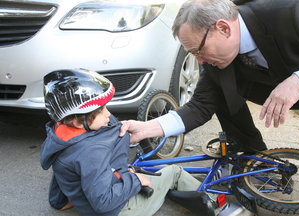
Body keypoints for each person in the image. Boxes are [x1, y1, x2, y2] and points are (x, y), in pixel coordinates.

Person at [121, 0, 299, 216]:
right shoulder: (216, 58)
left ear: (223, 28)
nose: (199, 60)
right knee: (220, 88)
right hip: (277, 84)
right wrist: (146, 128)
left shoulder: (298, 11)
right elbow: (200, 106)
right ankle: (253, 157)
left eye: (199, 51)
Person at [39, 69, 230, 216]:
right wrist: (135, 180)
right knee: (173, 172)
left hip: (98, 197)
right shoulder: (91, 152)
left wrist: (63, 200)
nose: (108, 115)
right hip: (122, 210)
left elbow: (64, 172)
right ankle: (218, 204)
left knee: (149, 173)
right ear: (77, 120)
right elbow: (102, 201)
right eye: (101, 111)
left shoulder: (60, 136)